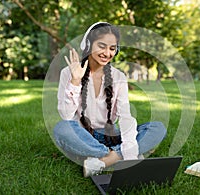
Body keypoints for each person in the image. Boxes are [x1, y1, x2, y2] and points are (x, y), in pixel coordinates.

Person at [53, 22, 167, 177]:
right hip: (83, 137)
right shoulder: (68, 73)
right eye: (102, 46)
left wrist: (128, 143)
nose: (107, 53)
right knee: (62, 129)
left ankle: (105, 160)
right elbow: (66, 116)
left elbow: (125, 116)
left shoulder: (118, 77)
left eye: (112, 48)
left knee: (157, 128)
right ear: (88, 44)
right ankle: (116, 155)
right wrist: (75, 81)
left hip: (110, 135)